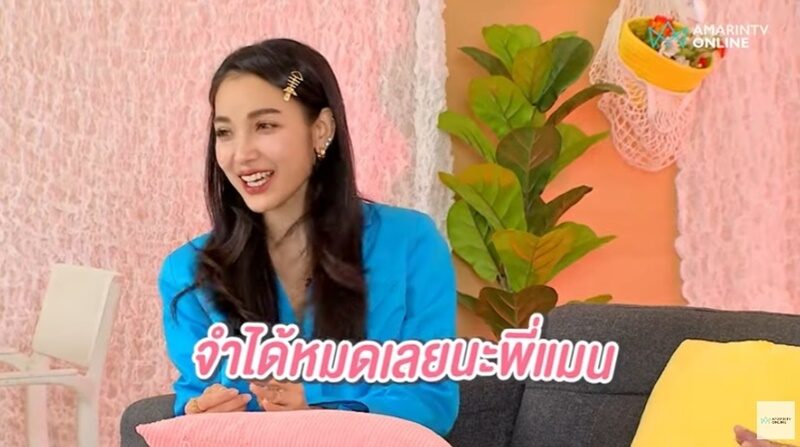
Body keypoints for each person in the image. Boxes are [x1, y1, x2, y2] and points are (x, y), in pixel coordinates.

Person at [157, 38, 459, 437]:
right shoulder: (189, 272)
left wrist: (316, 408)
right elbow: (195, 395)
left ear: (321, 130)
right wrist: (200, 415)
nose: (241, 154)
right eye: (225, 132)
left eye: (264, 126)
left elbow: (432, 400)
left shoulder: (411, 243)